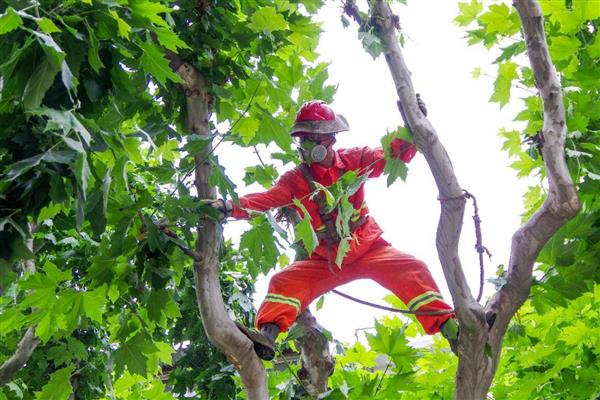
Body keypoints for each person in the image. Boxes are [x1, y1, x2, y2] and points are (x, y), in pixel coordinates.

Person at [213, 100, 458, 360]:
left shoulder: (355, 160)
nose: (306, 145)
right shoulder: (295, 180)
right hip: (328, 258)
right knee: (284, 282)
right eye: (303, 139)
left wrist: (412, 126)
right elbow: (265, 199)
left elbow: (389, 157)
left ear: (330, 140)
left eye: (313, 139)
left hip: (367, 245)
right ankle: (268, 336)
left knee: (412, 268)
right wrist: (228, 207)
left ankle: (452, 330)